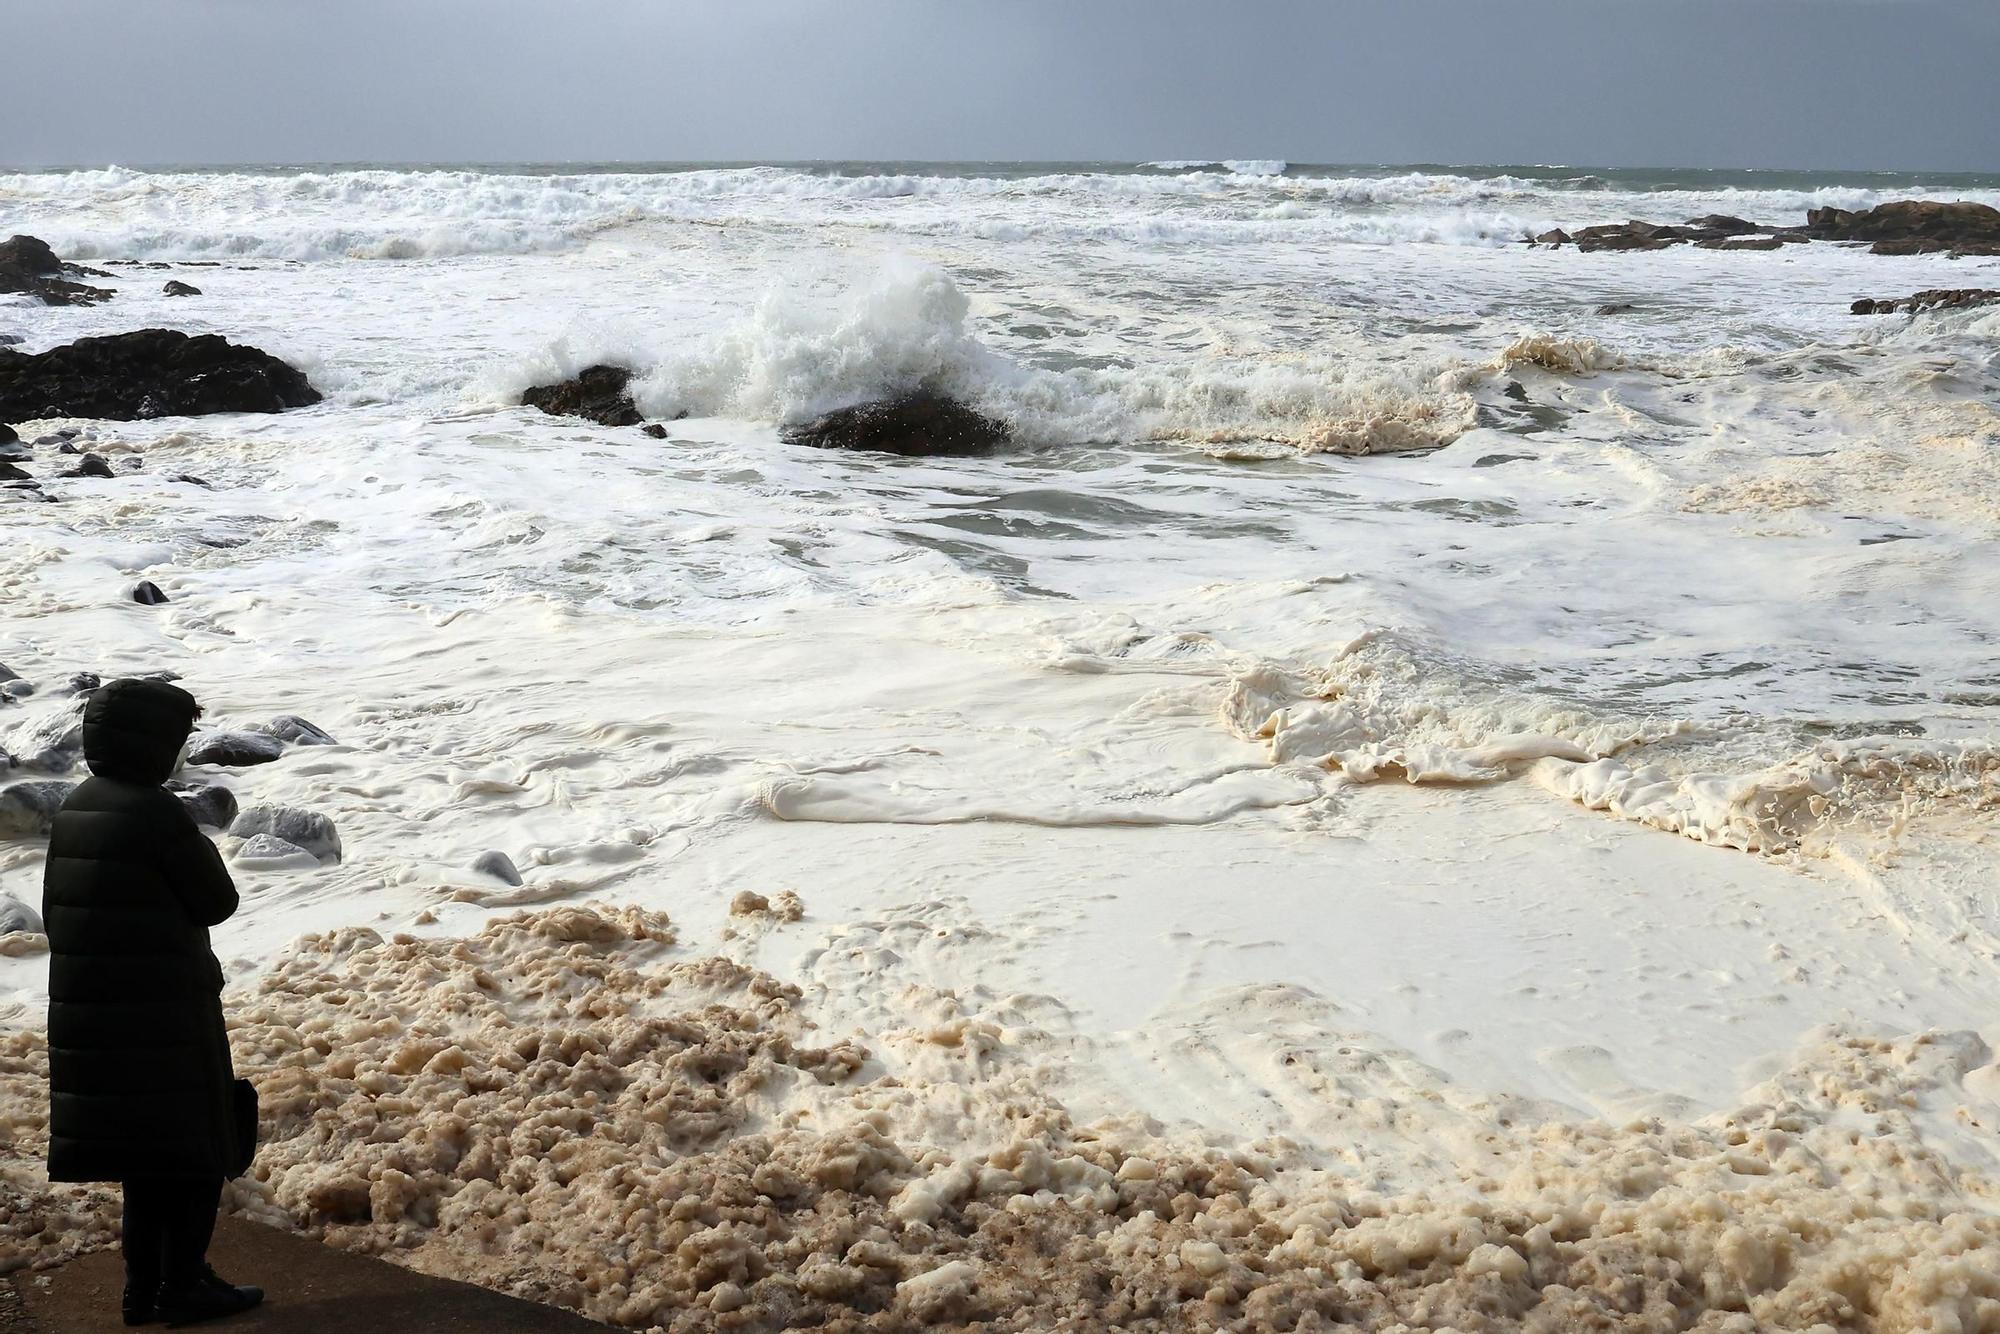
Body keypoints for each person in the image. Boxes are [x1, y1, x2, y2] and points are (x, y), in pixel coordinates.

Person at [42, 678, 264, 1327]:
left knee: (144, 1163)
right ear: (156, 743)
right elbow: (217, 901)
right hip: (163, 1016)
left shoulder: (77, 804)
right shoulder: (156, 811)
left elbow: (61, 915)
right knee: (194, 1156)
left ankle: (143, 1290)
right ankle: (185, 1285)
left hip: (94, 1015)